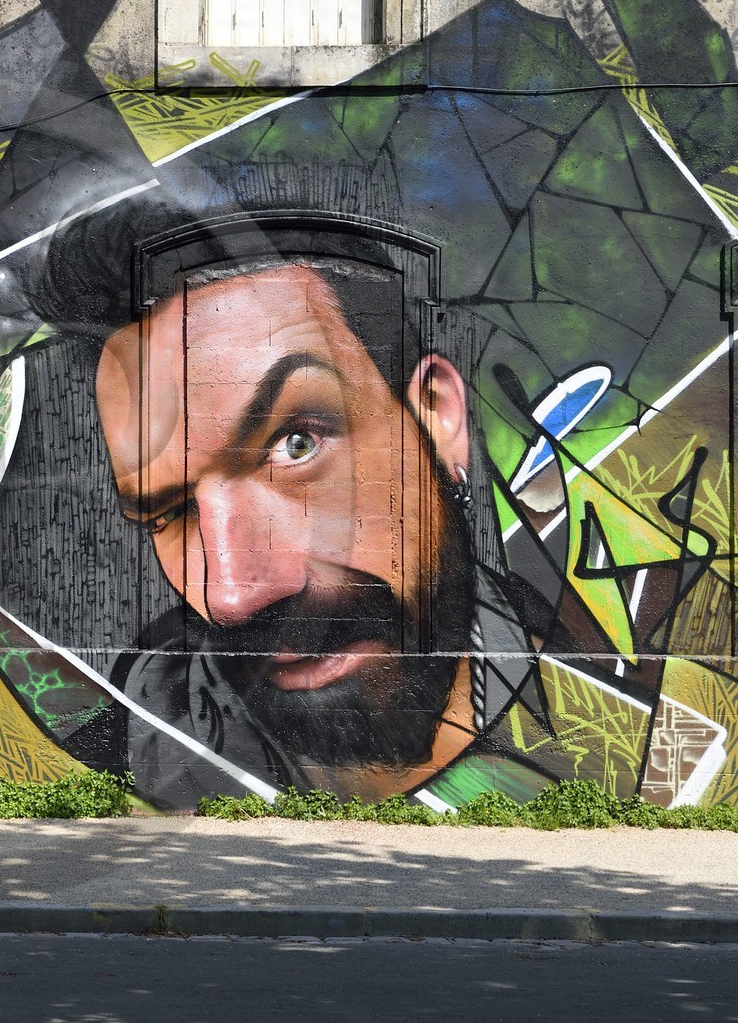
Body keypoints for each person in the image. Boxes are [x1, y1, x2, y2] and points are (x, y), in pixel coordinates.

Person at [35, 202, 547, 805]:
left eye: (297, 444)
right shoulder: (145, 768)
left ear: (436, 418)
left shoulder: (610, 684)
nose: (231, 594)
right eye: (169, 512)